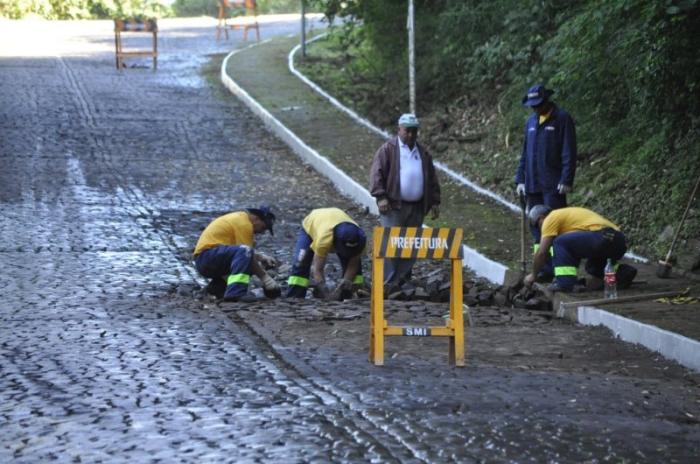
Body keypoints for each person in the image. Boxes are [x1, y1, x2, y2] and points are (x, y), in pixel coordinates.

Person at [369, 113, 441, 288]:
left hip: (417, 207)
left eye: (414, 131)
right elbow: (376, 173)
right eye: (407, 131)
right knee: (392, 243)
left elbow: (431, 178)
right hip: (393, 206)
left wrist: (435, 201)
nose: (410, 135)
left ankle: (403, 280)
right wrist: (381, 196)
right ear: (399, 129)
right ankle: (388, 282)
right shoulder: (388, 149)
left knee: (411, 243)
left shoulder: (422, 152)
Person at [515, 84, 577, 280]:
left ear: (546, 101)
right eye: (532, 106)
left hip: (553, 185)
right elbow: (525, 153)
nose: (536, 109)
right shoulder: (531, 122)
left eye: (538, 105)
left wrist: (566, 178)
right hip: (532, 184)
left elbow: (569, 151)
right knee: (536, 229)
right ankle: (542, 268)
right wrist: (520, 179)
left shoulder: (562, 119)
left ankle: (562, 271)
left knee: (555, 227)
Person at [524, 205, 637, 292]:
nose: (540, 230)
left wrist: (533, 275)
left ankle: (564, 283)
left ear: (541, 217)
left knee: (559, 242)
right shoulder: (567, 221)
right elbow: (571, 254)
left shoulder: (550, 218)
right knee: (592, 267)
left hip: (601, 235)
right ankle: (623, 273)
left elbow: (542, 253)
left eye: (537, 225)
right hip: (617, 240)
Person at [193, 206, 280, 302]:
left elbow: (241, 254)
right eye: (263, 227)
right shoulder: (244, 224)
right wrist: (265, 278)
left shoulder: (240, 218)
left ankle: (215, 290)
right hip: (207, 258)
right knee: (246, 256)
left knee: (245, 260)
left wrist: (261, 257)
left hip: (207, 259)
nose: (262, 232)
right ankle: (235, 293)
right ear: (256, 219)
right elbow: (246, 253)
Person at [286, 207, 366, 301]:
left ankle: (349, 294)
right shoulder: (324, 239)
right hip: (312, 223)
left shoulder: (360, 239)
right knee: (300, 262)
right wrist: (324, 290)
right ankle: (295, 297)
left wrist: (346, 281)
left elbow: (353, 263)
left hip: (337, 220)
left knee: (355, 273)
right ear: (335, 242)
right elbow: (318, 270)